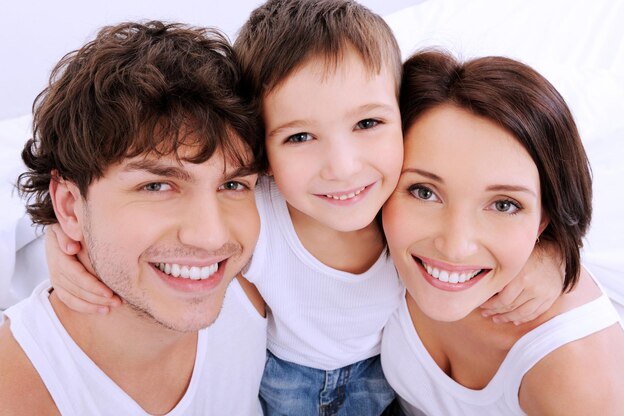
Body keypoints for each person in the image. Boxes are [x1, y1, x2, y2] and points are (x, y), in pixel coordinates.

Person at [44, 1, 567, 414]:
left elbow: (486, 212)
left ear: (402, 117)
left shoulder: (407, 206)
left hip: (386, 373)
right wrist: (62, 243)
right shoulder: (259, 214)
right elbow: (148, 228)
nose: (343, 167)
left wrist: (552, 254)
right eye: (299, 137)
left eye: (368, 124)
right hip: (284, 380)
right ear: (262, 155)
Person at [0, 21, 267, 415]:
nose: (210, 237)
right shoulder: (18, 391)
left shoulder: (261, 282)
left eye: (233, 185)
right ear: (70, 206)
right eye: (157, 186)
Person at [381, 50, 624, 415]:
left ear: (544, 219)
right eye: (424, 192)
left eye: (504, 205)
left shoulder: (576, 370)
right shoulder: (370, 231)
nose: (455, 246)